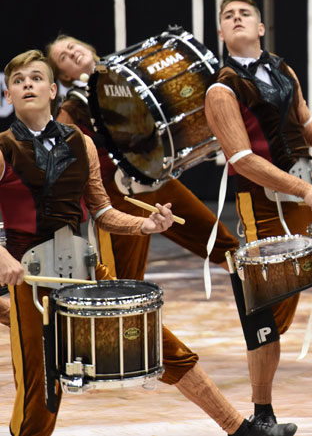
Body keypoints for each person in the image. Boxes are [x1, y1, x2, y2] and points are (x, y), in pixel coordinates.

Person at [0, 50, 295, 436]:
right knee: (40, 393)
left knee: (162, 346)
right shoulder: (3, 147)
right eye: (18, 81)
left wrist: (146, 226)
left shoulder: (81, 143)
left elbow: (103, 213)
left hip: (86, 269)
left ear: (53, 89)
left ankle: (239, 429)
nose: (28, 85)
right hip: (32, 283)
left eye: (36, 78)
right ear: (8, 95)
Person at [205, 0, 312, 428]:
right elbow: (242, 160)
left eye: (244, 13)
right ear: (221, 32)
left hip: (304, 182)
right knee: (269, 313)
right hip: (265, 200)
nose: (236, 19)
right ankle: (262, 415)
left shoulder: (282, 68)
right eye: (228, 16)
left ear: (260, 27)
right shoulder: (221, 88)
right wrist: (303, 191)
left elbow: (306, 125)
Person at [45, 34, 239, 282]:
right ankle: (129, 321)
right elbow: (62, 159)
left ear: (87, 46)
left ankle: (261, 307)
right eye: (64, 57)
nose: (72, 53)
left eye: (72, 46)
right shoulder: (72, 109)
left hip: (156, 179)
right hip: (121, 195)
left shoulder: (127, 74)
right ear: (65, 77)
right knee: (125, 282)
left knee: (220, 242)